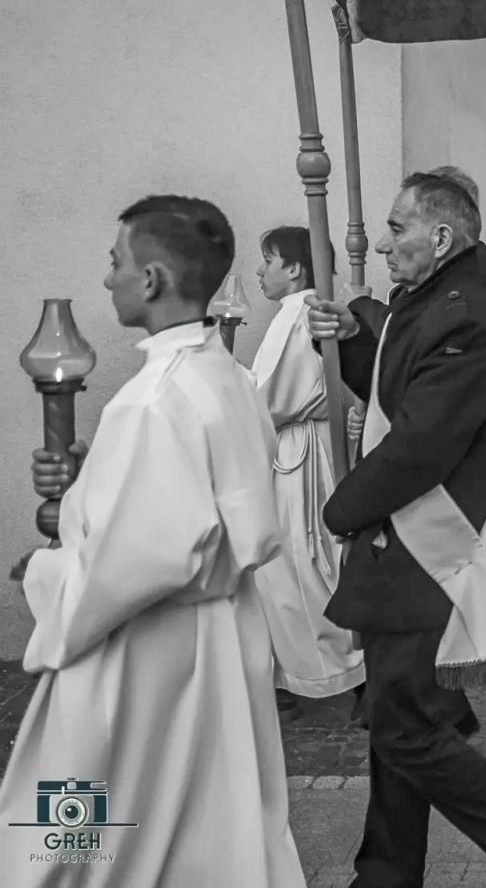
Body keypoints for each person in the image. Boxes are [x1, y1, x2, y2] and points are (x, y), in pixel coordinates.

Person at [0, 195, 303, 888]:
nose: (107, 278)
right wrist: (87, 479)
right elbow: (199, 508)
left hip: (141, 658)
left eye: (117, 263)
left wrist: (44, 574)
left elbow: (131, 563)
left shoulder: (150, 399)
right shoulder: (226, 376)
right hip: (222, 643)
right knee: (213, 831)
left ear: (155, 280)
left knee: (80, 843)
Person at [307, 171, 486, 887]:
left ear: (440, 237)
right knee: (399, 716)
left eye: (397, 227)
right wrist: (348, 340)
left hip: (420, 547)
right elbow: (400, 390)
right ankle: (387, 872)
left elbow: (421, 441)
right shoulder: (438, 299)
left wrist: (342, 507)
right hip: (407, 546)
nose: (381, 242)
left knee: (404, 725)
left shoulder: (466, 312)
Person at [251, 225, 366, 724]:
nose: (259, 271)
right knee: (309, 560)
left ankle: (347, 672)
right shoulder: (310, 309)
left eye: (267, 260)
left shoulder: (295, 313)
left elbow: (270, 398)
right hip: (313, 443)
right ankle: (315, 673)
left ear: (294, 268)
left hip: (299, 450)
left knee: (300, 562)